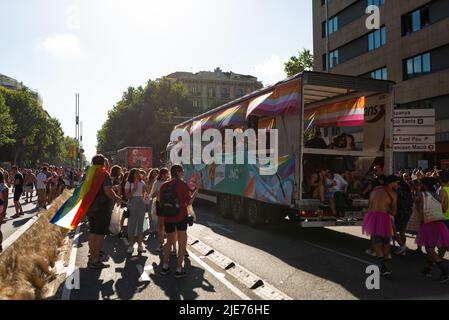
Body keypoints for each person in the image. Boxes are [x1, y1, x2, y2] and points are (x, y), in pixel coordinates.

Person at [160, 164, 198, 278]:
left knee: (169, 242)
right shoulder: (182, 185)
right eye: (182, 171)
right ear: (178, 172)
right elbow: (189, 202)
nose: (183, 173)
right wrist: (196, 192)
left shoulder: (164, 186)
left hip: (168, 217)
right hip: (181, 216)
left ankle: (165, 266)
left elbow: (161, 202)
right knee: (182, 242)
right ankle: (178, 268)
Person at [86, 155, 121, 269]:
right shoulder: (103, 174)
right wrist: (116, 198)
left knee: (93, 232)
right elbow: (107, 191)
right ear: (103, 164)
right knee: (100, 234)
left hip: (90, 207)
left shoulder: (89, 173)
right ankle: (95, 260)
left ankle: (92, 256)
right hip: (101, 208)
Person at [362, 175, 401, 277]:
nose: (398, 186)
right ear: (391, 183)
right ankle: (384, 264)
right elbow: (394, 212)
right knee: (386, 242)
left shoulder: (375, 189)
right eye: (397, 183)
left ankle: (383, 265)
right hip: (383, 218)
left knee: (377, 241)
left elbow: (370, 203)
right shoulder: (393, 194)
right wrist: (387, 208)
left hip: (371, 216)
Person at [416, 178, 449, 283]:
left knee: (430, 249)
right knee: (437, 246)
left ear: (425, 185)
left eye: (421, 184)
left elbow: (421, 211)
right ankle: (428, 269)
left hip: (429, 224)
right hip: (439, 223)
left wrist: (418, 205)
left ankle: (445, 271)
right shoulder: (438, 195)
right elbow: (444, 209)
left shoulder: (423, 195)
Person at [125, 168, 148, 255]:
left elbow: (147, 192)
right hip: (132, 203)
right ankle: (130, 245)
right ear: (132, 174)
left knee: (140, 224)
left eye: (139, 173)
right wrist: (134, 189)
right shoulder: (128, 183)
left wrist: (145, 185)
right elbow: (127, 196)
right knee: (132, 224)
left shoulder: (141, 182)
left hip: (141, 203)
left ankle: (140, 245)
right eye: (136, 173)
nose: (138, 175)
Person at [150, 168, 170, 252]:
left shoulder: (169, 183)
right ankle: (160, 243)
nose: (168, 175)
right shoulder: (157, 183)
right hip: (160, 205)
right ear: (162, 174)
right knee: (161, 225)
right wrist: (158, 191)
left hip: (169, 205)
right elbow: (152, 195)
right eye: (166, 174)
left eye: (168, 173)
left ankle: (170, 244)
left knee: (169, 225)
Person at [394, 172, 414, 255]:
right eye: (404, 176)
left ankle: (402, 247)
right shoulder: (408, 187)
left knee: (398, 231)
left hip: (401, 212)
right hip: (407, 211)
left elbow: (398, 200)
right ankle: (403, 247)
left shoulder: (401, 188)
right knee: (402, 231)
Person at [0, 171, 9, 253]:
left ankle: (0, 245)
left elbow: (6, 200)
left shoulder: (4, 187)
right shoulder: (4, 186)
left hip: (0, 208)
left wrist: (4, 211)